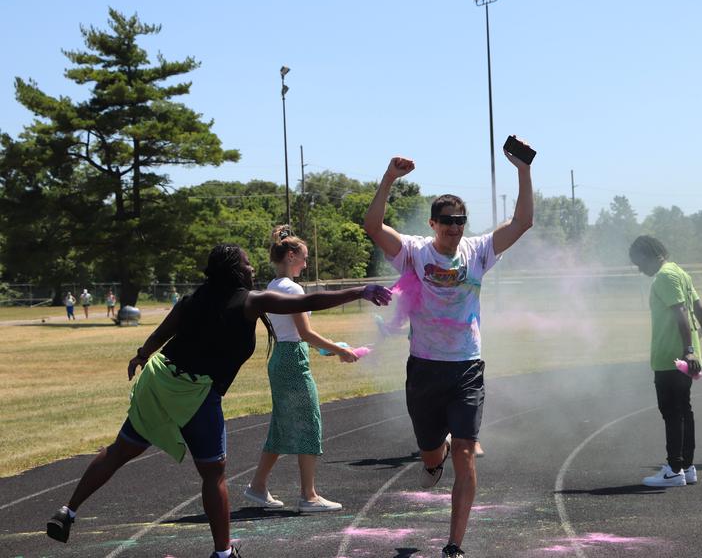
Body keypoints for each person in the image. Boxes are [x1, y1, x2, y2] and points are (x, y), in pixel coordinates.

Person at [45, 244, 392, 558]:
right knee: (213, 474)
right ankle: (223, 554)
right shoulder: (250, 301)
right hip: (197, 393)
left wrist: (141, 355)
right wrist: (361, 290)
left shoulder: (193, 300)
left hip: (160, 379)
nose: (251, 268)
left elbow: (164, 333)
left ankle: (68, 510)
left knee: (121, 449)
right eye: (245, 263)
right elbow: (307, 301)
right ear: (233, 270)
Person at [363, 142, 534, 558]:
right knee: (430, 451)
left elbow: (522, 222)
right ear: (433, 222)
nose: (454, 227)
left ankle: (454, 544)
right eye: (447, 221)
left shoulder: (477, 252)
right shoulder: (414, 251)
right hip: (424, 368)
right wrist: (388, 179)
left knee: (464, 453)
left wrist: (524, 171)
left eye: (460, 220)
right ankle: (430, 464)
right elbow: (372, 225)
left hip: (466, 367)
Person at [243, 225, 358, 513]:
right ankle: (309, 496)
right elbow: (304, 332)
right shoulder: (293, 288)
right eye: (304, 258)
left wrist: (324, 346)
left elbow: (293, 332)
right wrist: (340, 349)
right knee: (310, 422)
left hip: (281, 355)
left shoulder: (272, 286)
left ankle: (257, 487)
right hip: (293, 358)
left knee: (281, 427)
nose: (305, 264)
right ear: (292, 255)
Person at [628, 235, 702, 488]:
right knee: (683, 410)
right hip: (683, 356)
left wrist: (688, 351)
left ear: (650, 255)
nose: (640, 270)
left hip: (672, 357)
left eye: (639, 263)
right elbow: (701, 310)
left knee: (672, 412)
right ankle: (686, 466)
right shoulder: (679, 273)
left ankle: (674, 470)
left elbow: (681, 312)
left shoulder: (664, 277)